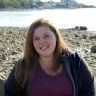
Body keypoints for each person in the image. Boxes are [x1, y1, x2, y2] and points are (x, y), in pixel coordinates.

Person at [5, 18, 95, 96]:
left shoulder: (75, 62)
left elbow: (89, 91)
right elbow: (9, 93)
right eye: (36, 38)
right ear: (31, 43)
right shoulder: (22, 66)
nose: (41, 42)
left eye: (46, 36)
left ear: (56, 36)